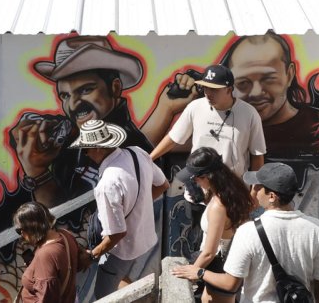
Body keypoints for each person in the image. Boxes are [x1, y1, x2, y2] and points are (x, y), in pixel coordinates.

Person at [9, 36, 154, 208]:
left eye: (85, 90)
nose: (72, 105)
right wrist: (38, 170)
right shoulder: (69, 144)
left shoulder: (130, 148)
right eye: (65, 95)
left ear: (115, 88)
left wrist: (39, 175)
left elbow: (72, 219)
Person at [174, 163, 319, 303]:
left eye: (258, 186)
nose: (253, 190)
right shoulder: (316, 229)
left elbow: (230, 283)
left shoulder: (248, 232)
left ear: (272, 196)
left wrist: (200, 272)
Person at [71, 119, 169, 299]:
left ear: (99, 148)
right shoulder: (137, 153)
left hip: (122, 251)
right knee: (123, 279)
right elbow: (163, 184)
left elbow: (116, 234)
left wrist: (92, 255)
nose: (84, 154)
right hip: (146, 239)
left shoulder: (107, 184)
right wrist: (141, 203)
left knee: (104, 296)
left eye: (85, 149)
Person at [224, 33, 319, 157]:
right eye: (243, 83)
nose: (256, 92)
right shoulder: (221, 128)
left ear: (289, 74)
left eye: (269, 79)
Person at [168, 148, 253, 303]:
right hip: (227, 261)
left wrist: (192, 274)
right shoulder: (233, 188)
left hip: (221, 263)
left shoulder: (218, 205)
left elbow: (209, 252)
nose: (194, 183)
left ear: (207, 177)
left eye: (195, 179)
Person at [150, 64, 266, 177]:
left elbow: (257, 155)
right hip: (198, 188)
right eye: (205, 87)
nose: (208, 93)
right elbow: (173, 138)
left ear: (229, 89)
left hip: (233, 190)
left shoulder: (249, 113)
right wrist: (149, 159)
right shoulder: (195, 107)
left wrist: (255, 188)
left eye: (214, 89)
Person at [13, 202, 90, 303]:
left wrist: (43, 266)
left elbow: (47, 298)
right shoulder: (64, 234)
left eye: (20, 230)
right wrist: (36, 267)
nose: (21, 234)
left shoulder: (45, 255)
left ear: (33, 226)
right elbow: (77, 264)